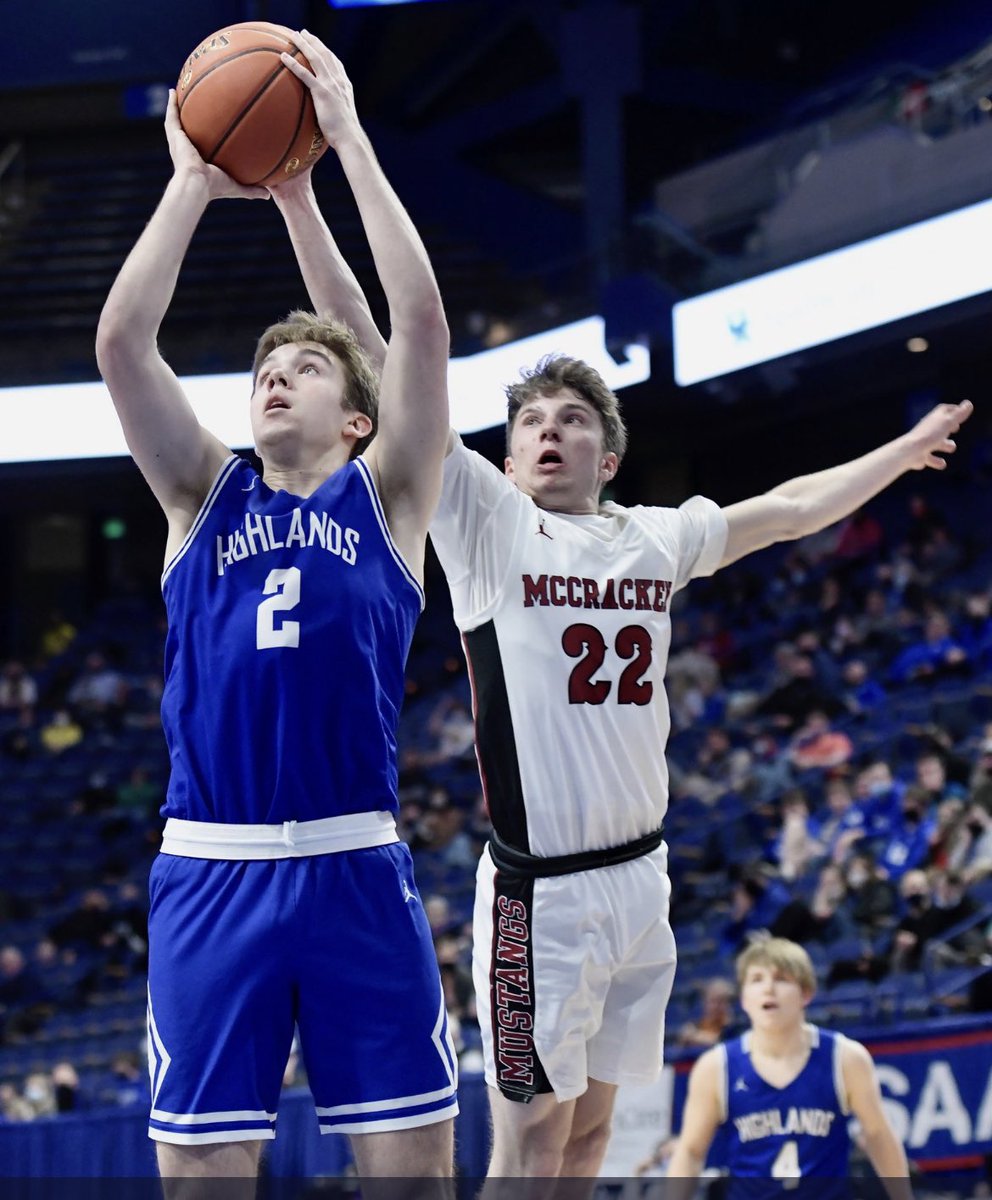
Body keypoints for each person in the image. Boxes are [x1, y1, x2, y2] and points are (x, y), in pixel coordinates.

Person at [265, 83, 972, 1179]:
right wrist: (305, 193)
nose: (549, 434)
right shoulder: (485, 521)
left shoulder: (655, 537)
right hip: (535, 896)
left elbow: (783, 511)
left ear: (608, 456)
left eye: (574, 423)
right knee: (529, 1141)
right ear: (505, 461)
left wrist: (895, 451)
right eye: (531, 425)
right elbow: (374, 348)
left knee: (591, 1135)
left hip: (642, 879)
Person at [95, 30, 453, 1188]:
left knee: (411, 1175)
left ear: (357, 417)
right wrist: (193, 183)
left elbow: (419, 322)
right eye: (262, 370)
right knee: (201, 1181)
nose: (273, 375)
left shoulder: (389, 496)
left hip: (355, 864)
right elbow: (120, 343)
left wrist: (338, 146)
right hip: (213, 867)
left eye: (302, 369)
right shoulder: (200, 492)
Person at [667, 938, 910, 1190]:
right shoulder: (715, 1066)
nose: (768, 988)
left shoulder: (846, 1058)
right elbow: (691, 1151)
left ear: (805, 993)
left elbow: (877, 1134)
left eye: (781, 978)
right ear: (744, 999)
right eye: (757, 979)